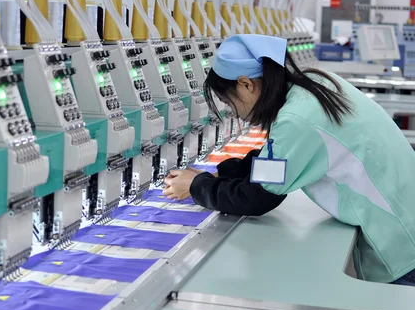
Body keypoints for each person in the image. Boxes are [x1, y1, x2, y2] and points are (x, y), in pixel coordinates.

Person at [163, 34, 415, 286]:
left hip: (401, 245)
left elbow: (257, 197)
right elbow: (277, 157)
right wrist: (221, 174)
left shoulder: (296, 119)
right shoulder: (314, 83)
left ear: (245, 84)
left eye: (229, 102)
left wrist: (197, 187)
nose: (234, 112)